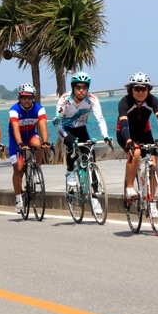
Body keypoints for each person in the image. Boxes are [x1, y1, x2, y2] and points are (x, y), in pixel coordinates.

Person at [117, 73, 158, 217]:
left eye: (144, 89)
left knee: (154, 161)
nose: (140, 92)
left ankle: (151, 201)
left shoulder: (152, 101)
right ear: (131, 89)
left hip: (145, 133)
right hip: (126, 134)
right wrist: (129, 142)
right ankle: (130, 188)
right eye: (137, 89)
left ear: (148, 90)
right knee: (136, 153)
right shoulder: (124, 102)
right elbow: (124, 125)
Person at [53, 71, 112, 215]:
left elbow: (100, 119)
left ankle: (94, 198)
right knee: (72, 144)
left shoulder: (92, 99)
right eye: (78, 87)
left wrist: (105, 135)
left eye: (84, 87)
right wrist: (58, 118)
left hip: (81, 128)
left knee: (90, 155)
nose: (81, 90)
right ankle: (70, 172)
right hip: (65, 128)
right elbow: (58, 115)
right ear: (73, 87)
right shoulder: (65, 98)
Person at [8, 83, 50, 214]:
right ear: (19, 98)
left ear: (33, 98)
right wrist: (20, 143)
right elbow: (15, 128)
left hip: (31, 135)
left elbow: (43, 127)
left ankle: (37, 167)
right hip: (16, 139)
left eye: (29, 97)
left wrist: (46, 141)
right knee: (18, 168)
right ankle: (18, 199)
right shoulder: (14, 109)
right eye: (24, 97)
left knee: (38, 145)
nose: (26, 100)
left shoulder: (39, 108)